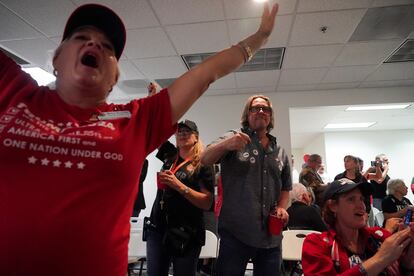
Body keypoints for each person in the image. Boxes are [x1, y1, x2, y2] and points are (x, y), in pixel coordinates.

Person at [0, 3, 279, 275]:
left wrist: (259, 37)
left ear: (114, 79)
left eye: (107, 47)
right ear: (57, 60)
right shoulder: (15, 92)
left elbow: (206, 74)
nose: (94, 44)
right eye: (81, 37)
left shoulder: (135, 120)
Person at [201, 95, 292, 276]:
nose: (260, 111)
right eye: (255, 108)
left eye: (265, 109)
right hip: (236, 233)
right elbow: (205, 158)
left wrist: (282, 208)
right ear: (247, 114)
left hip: (270, 236)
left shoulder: (280, 151)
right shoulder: (234, 137)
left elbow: (285, 188)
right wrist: (227, 144)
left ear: (270, 116)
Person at [302, 178, 414, 275]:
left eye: (361, 199)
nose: (361, 205)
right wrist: (381, 258)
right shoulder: (317, 244)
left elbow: (404, 270)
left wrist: (408, 261)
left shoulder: (378, 236)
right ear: (333, 206)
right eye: (351, 199)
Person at [146, 120, 214, 276]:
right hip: (159, 227)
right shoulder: (170, 155)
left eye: (187, 132)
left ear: (196, 137)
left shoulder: (203, 163)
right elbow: (155, 133)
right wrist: (154, 100)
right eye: (179, 131)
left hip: (186, 232)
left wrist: (180, 186)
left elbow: (207, 202)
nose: (182, 134)